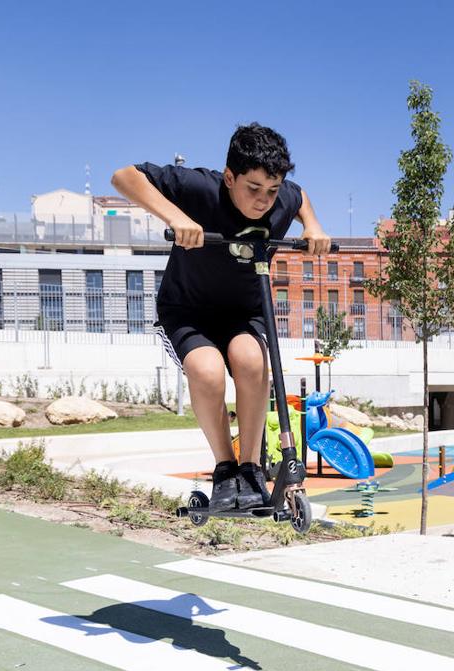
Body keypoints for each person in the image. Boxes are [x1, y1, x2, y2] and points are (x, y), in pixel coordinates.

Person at [111, 124, 330, 512]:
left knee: (251, 361)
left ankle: (250, 470)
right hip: (186, 311)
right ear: (230, 177)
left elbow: (300, 199)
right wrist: (177, 217)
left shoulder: (282, 197)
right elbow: (124, 176)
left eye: (272, 190)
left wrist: (312, 225)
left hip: (243, 311)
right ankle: (224, 470)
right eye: (253, 188)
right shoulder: (199, 188)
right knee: (208, 371)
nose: (264, 201)